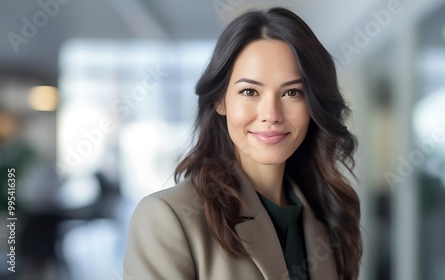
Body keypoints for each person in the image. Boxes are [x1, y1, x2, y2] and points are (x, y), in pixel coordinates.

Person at [124, 7, 362, 280]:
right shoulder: (168, 218)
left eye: (292, 92)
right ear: (220, 101)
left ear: (313, 105)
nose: (271, 114)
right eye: (250, 91)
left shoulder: (329, 214)